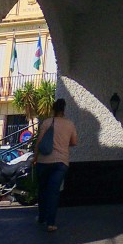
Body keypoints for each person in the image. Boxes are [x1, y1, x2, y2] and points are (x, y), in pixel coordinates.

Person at [35, 98, 78, 232]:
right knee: (54, 192)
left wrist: (34, 158)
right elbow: (74, 142)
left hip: (44, 161)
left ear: (53, 109)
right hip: (61, 162)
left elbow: (39, 142)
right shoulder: (70, 124)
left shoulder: (47, 122)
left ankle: (42, 217)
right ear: (64, 110)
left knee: (43, 190)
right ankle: (51, 223)